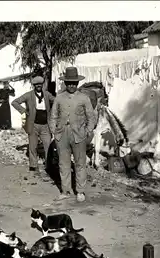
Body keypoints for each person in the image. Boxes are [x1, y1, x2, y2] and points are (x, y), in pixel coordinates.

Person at [48, 67, 96, 202]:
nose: (71, 85)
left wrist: (88, 130)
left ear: (78, 83)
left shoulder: (84, 98)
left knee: (80, 163)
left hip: (79, 135)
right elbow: (53, 116)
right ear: (65, 83)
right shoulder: (59, 97)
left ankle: (80, 191)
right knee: (64, 164)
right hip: (62, 134)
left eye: (74, 83)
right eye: (68, 82)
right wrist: (54, 131)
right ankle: (65, 190)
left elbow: (91, 117)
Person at [11, 76, 55, 173]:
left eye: (40, 84)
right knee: (32, 146)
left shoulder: (47, 95)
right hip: (33, 124)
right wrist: (24, 111)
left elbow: (56, 101)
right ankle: (33, 165)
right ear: (34, 86)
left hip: (45, 126)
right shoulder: (28, 95)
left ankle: (49, 166)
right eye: (36, 85)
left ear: (42, 85)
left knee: (48, 145)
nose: (38, 86)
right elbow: (14, 102)